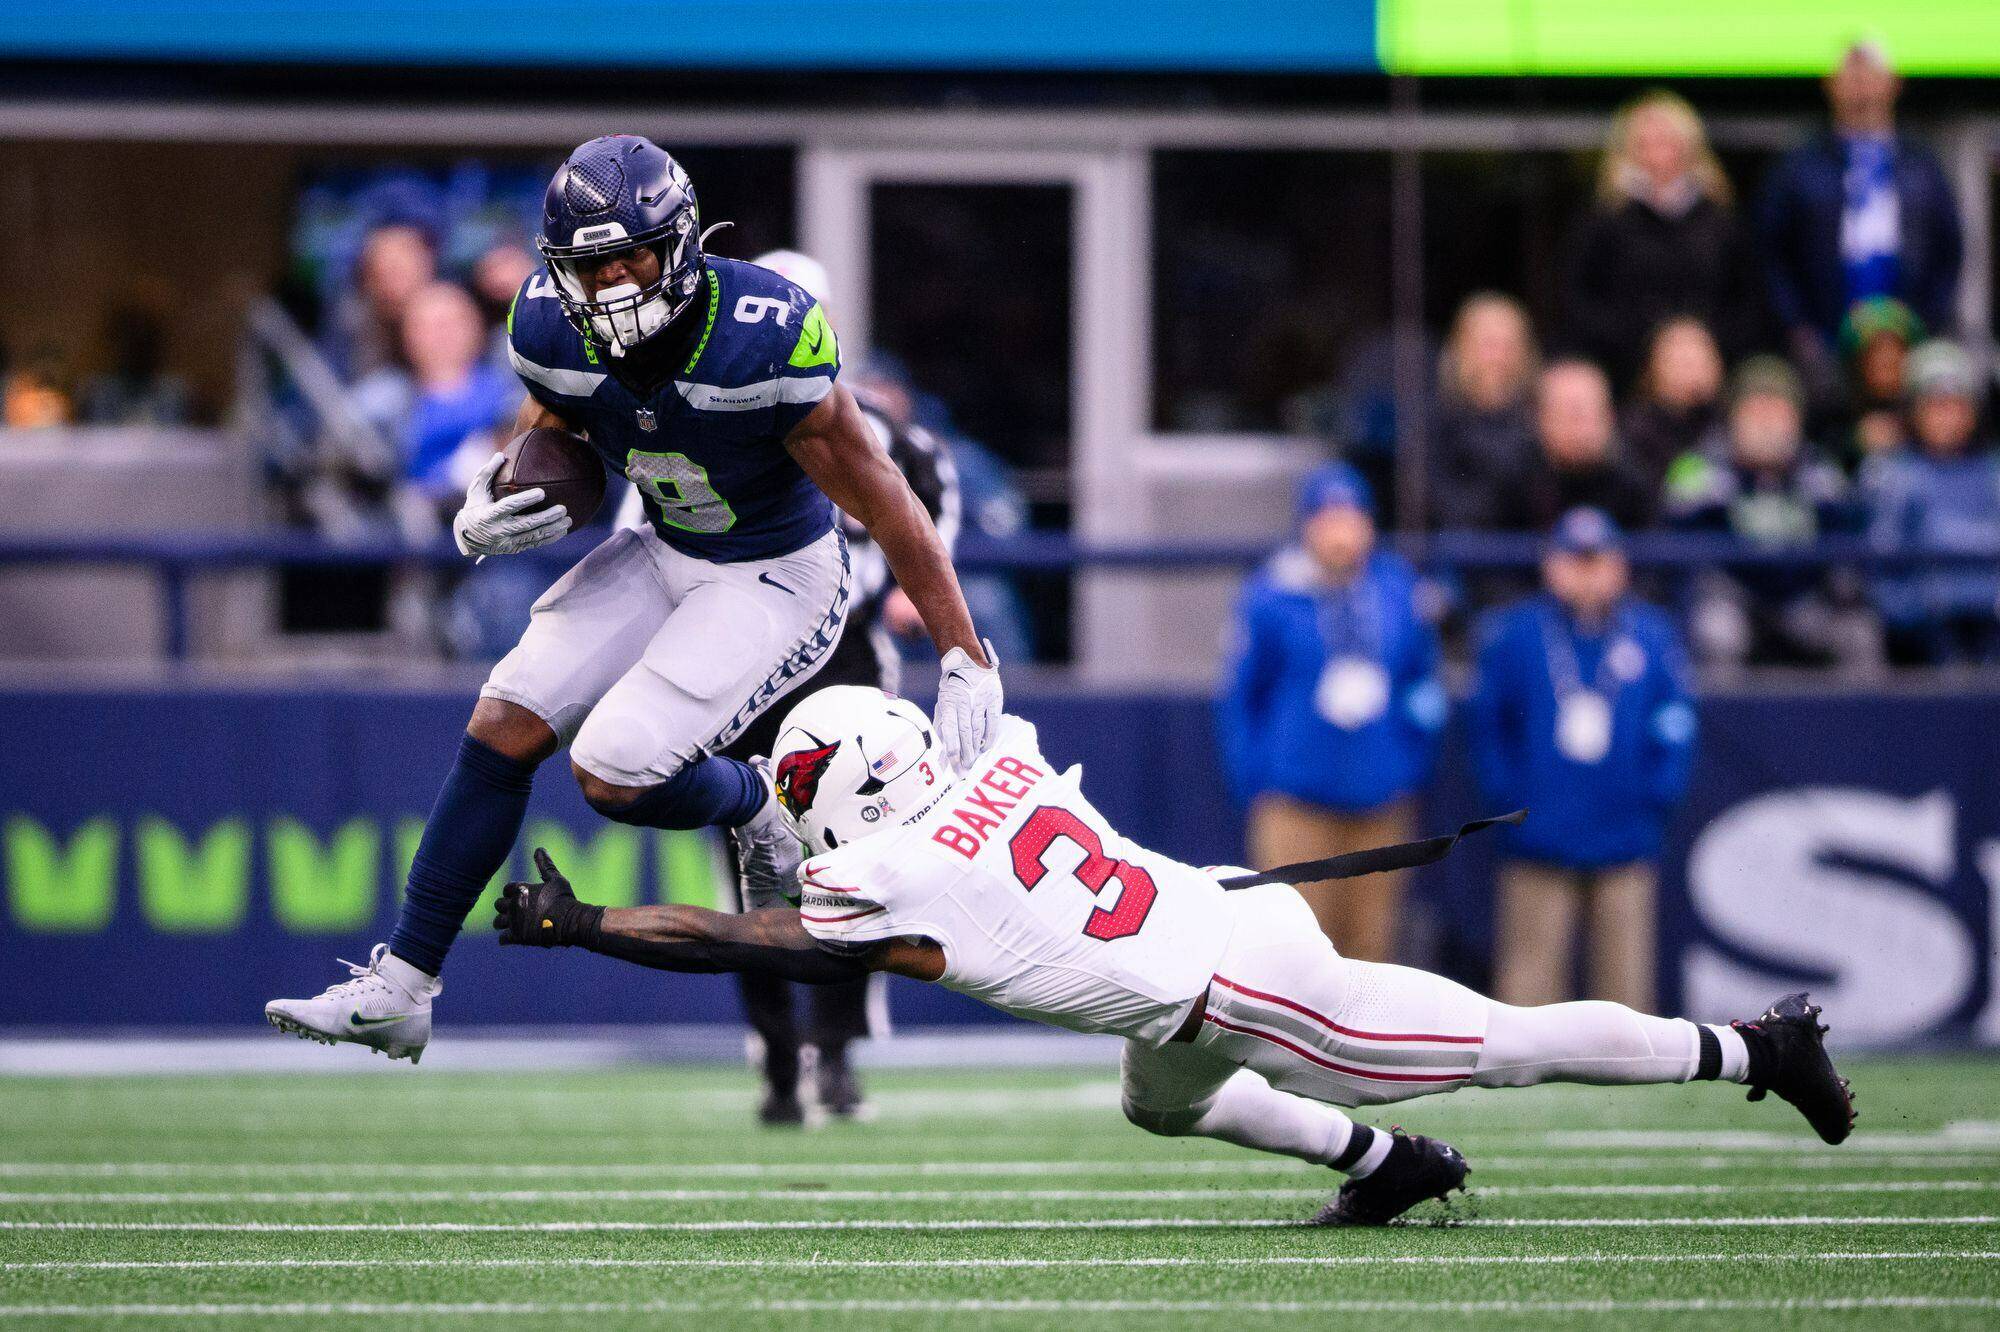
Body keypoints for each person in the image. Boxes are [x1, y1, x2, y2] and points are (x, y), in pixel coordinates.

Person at [494, 685, 1855, 1227]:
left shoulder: (882, 868)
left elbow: (764, 944)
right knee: (1162, 1105)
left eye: (800, 793)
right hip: (1209, 923)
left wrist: (592, 925)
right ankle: (1386, 1171)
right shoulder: (994, 752)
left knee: (1497, 1045)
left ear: (837, 786)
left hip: (1246, 978)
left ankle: (1753, 1045)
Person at [266, 135, 1001, 1062]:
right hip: (661, 544)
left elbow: (883, 494)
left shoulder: (765, 332)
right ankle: (403, 988)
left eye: (631, 257)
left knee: (612, 772)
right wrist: (499, 494)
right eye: (589, 265)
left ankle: (758, 802)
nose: (612, 283)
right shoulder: (545, 325)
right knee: (503, 718)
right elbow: (558, 431)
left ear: (681, 245)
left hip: (776, 570)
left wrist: (964, 654)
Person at [691, 247, 961, 1125]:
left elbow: (929, 502)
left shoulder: (880, 431)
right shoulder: (713, 424)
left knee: (854, 874)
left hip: (848, 681)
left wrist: (908, 594)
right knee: (757, 879)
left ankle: (835, 1056)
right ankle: (776, 1059)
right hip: (745, 682)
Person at [1468, 508, 1696, 1012]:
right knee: (1529, 985)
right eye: (1576, 560)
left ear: (1620, 567)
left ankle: (1628, 1087)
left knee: (1626, 986)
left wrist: (1655, 799)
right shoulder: (1518, 633)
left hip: (1624, 836)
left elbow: (1676, 722)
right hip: (1538, 837)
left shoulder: (1650, 635)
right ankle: (1523, 1087)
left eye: (1598, 560)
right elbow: (1489, 727)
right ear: (1552, 566)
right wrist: (1508, 804)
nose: (1587, 573)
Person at [1217, 463, 1446, 959]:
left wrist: (1410, 765)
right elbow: (1241, 696)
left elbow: (1423, 682)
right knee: (1295, 948)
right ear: (1307, 526)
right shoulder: (1273, 594)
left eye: (1352, 517)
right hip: (1296, 800)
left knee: (1373, 948)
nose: (1342, 532)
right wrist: (1258, 781)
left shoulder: (1395, 589)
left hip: (1380, 797)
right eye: (1330, 518)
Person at [1756, 40, 1962, 402]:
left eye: (1871, 75)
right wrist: (1798, 329)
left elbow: (1950, 251)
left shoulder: (1923, 164)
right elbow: (1770, 253)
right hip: (1820, 346)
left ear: (1894, 84)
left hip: (1910, 344)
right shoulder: (1798, 165)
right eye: (1851, 76)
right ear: (1829, 84)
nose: (1861, 85)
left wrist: (1928, 326)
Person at [1665, 357, 1873, 670]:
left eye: (1777, 409)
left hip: (1806, 598)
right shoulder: (1698, 468)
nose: (1766, 421)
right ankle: (1723, 720)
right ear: (1733, 416)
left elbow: (1845, 547)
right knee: (1716, 630)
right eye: (1755, 409)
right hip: (1730, 597)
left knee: (1857, 632)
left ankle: (1860, 720)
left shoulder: (1821, 472)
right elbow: (1678, 547)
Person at [1562, 90, 1753, 391]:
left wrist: (1701, 346)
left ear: (1691, 146)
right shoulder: (1604, 218)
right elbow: (1578, 301)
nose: (1658, 153)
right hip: (1625, 377)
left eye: (1667, 141)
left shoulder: (1720, 219)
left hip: (1711, 376)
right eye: (1645, 143)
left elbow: (1746, 301)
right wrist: (1645, 347)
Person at [1862, 340, 2000, 666]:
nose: (1947, 417)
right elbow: (1882, 563)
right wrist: (1916, 609)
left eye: (1956, 404)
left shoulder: (1994, 473)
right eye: (1935, 405)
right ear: (1913, 410)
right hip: (1927, 632)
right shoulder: (1891, 475)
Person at [1492, 361, 1653, 533]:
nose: (1581, 428)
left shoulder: (1634, 486)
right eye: (1571, 414)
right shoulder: (1513, 484)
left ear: (1610, 417)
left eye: (1590, 413)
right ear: (1541, 419)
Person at [1429, 293, 1540, 530]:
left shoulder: (1539, 418)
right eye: (1489, 344)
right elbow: (1435, 500)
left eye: (1508, 345)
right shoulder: (1437, 419)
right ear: (1461, 348)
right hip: (1461, 551)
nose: (1499, 357)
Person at [1619, 317, 1727, 489]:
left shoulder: (1729, 425)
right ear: (1653, 367)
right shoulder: (1633, 434)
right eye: (1682, 361)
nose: (1692, 371)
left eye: (1699, 360)